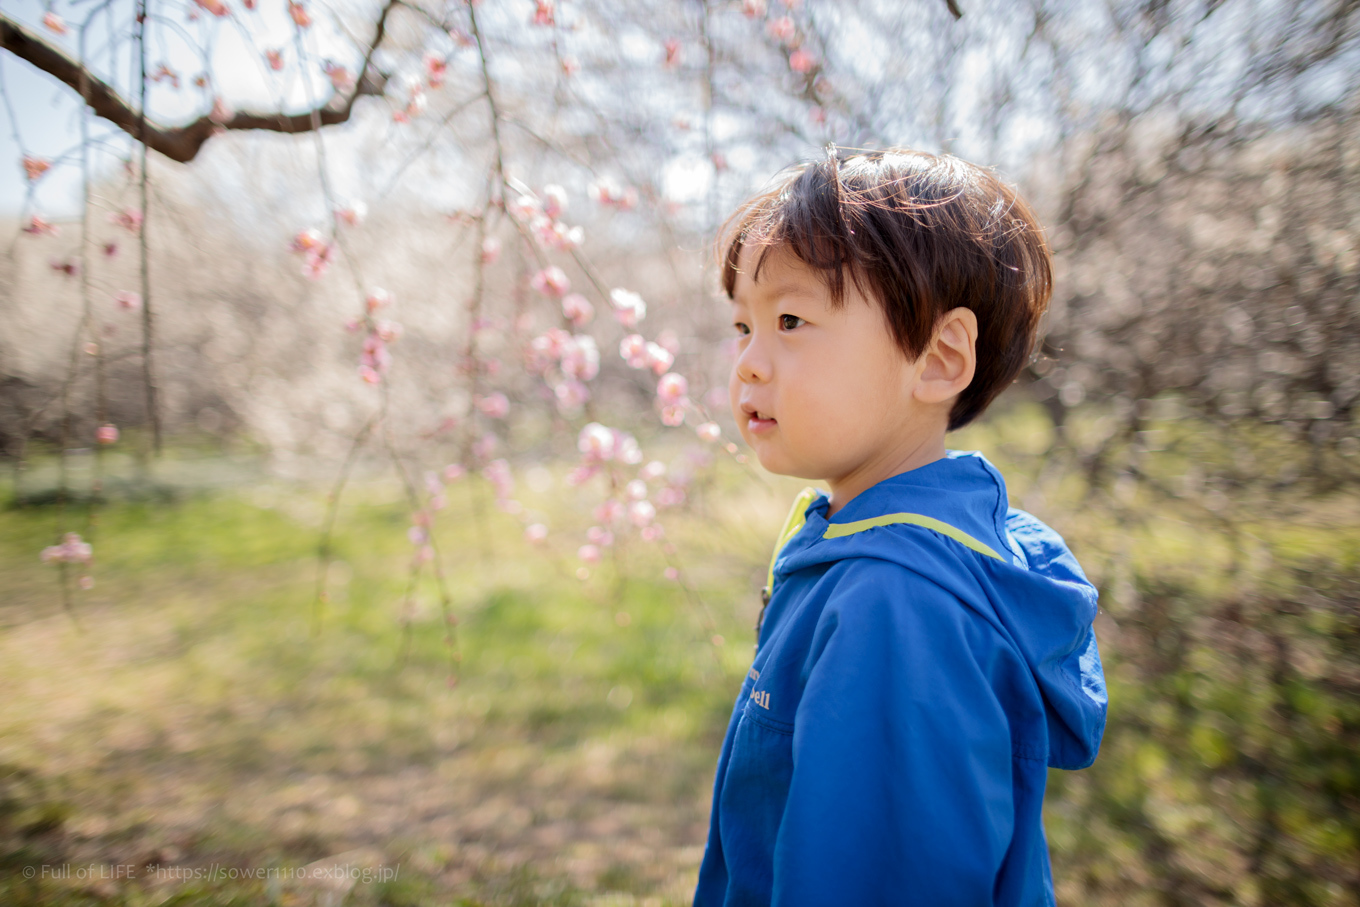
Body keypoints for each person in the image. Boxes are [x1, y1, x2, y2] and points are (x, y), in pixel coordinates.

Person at [693, 147, 1108, 907]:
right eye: (743, 325)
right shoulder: (865, 544)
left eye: (791, 319)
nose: (749, 362)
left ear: (940, 358)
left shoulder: (898, 606)